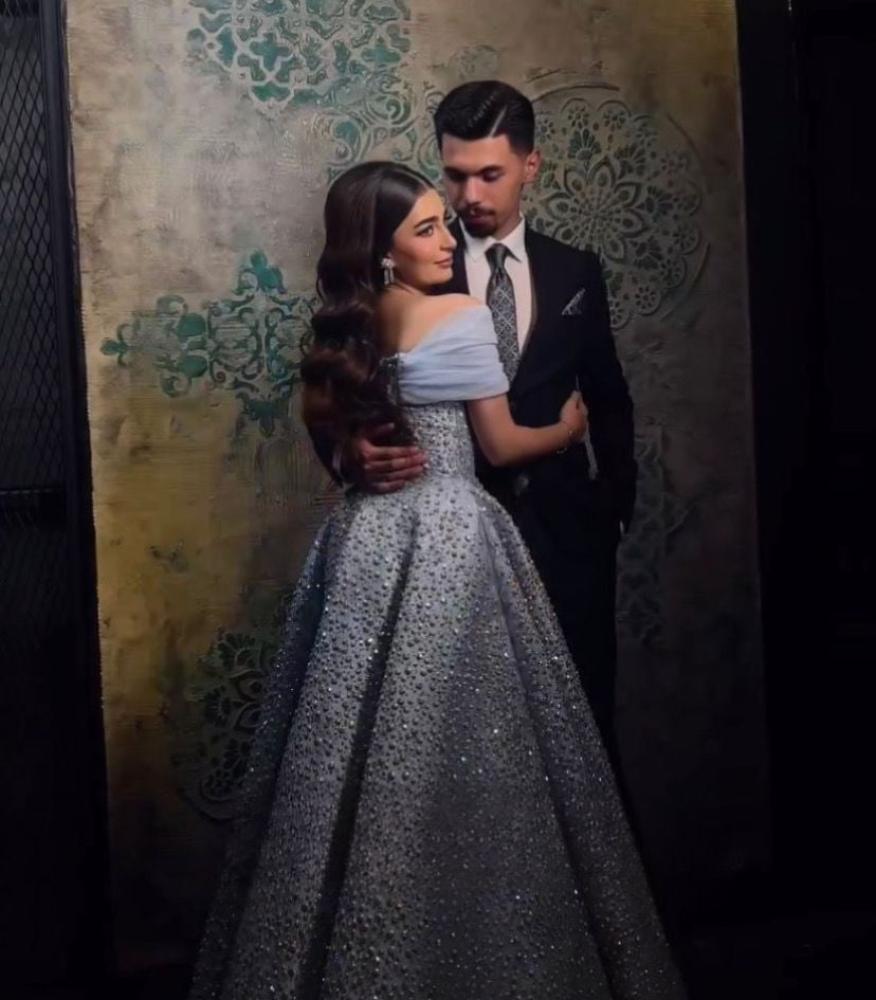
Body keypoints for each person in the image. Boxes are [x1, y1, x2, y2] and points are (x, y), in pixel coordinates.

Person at [188, 161, 684, 1000]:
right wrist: (567, 427)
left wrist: (353, 455)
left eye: (442, 222)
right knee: (474, 741)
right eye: (425, 228)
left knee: (360, 744)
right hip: (452, 536)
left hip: (365, 541)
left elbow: (329, 427)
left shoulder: (347, 330)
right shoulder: (458, 313)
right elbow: (499, 447)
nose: (448, 239)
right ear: (383, 250)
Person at [330, 81, 636, 756]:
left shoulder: (575, 271)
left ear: (531, 166)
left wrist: (613, 508)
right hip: (448, 549)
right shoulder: (412, 271)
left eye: (490, 175)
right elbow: (340, 384)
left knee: (582, 730)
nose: (469, 196)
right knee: (456, 737)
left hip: (567, 533)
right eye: (455, 175)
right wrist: (347, 453)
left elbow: (608, 394)